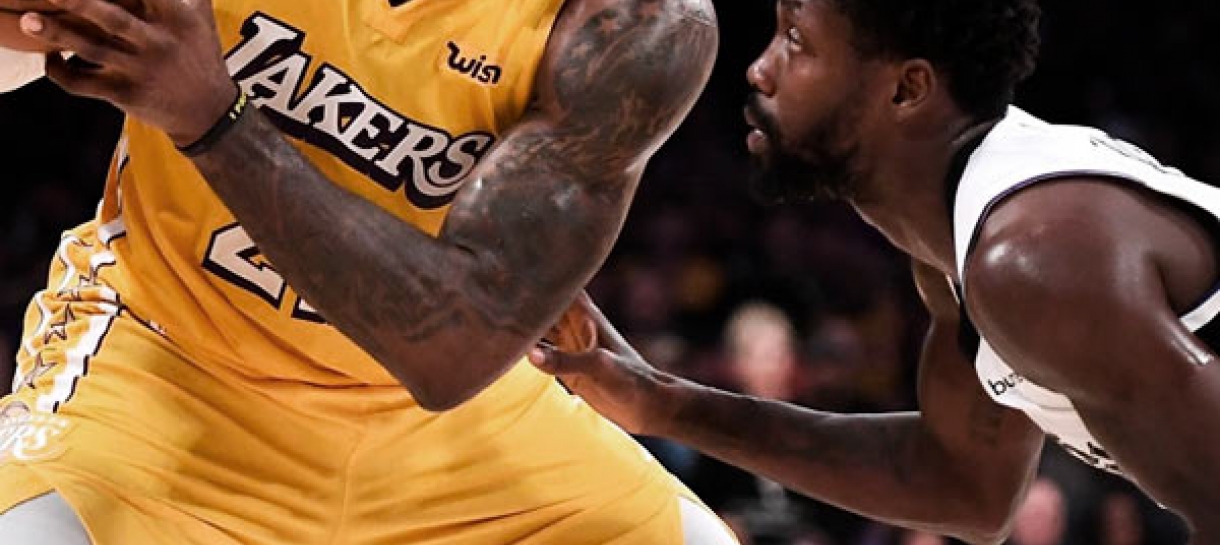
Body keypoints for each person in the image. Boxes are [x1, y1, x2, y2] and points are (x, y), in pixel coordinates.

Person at [0, 0, 739, 543]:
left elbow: (453, 354)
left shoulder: (636, 23)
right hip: (164, 368)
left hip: (450, 424)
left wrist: (212, 116)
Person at [530, 0, 1220, 542]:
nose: (760, 69)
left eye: (796, 41)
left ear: (907, 89)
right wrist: (661, 402)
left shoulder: (1034, 259)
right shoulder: (959, 245)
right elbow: (962, 487)